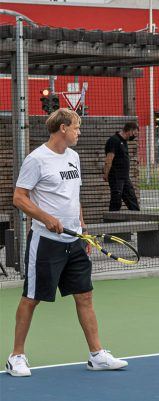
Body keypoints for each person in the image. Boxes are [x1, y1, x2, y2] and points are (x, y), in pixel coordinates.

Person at [6, 109, 128, 377]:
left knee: (85, 295)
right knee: (31, 298)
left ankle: (97, 355)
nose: (79, 132)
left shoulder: (73, 157)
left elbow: (74, 197)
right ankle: (16, 356)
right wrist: (45, 216)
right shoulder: (36, 159)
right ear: (63, 128)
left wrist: (82, 229)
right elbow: (19, 197)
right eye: (76, 127)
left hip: (74, 241)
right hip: (46, 241)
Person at [103, 121, 140, 211]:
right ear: (130, 131)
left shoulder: (124, 142)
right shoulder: (114, 140)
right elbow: (109, 159)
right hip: (116, 176)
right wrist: (106, 173)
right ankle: (112, 222)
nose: (134, 136)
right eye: (134, 133)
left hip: (125, 177)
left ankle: (139, 222)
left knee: (132, 199)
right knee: (116, 200)